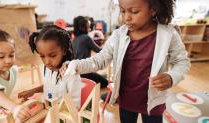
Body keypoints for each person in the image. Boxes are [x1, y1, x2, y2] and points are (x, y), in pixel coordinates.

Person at [61, 0, 191, 122]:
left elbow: (182, 62)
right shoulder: (118, 35)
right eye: (123, 11)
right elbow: (99, 60)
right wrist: (75, 65)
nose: (126, 17)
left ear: (153, 9)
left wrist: (171, 77)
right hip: (126, 99)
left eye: (134, 11)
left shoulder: (168, 34)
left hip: (154, 101)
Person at [18, 25, 82, 108]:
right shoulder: (48, 68)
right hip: (48, 108)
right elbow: (49, 86)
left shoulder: (71, 73)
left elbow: (75, 106)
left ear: (64, 50)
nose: (47, 62)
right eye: (42, 56)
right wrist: (32, 91)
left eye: (52, 55)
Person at [72, 16, 108, 88]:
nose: (90, 28)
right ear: (83, 27)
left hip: (75, 74)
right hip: (85, 73)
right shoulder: (86, 38)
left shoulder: (74, 40)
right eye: (88, 26)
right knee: (107, 83)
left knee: (103, 76)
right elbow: (100, 51)